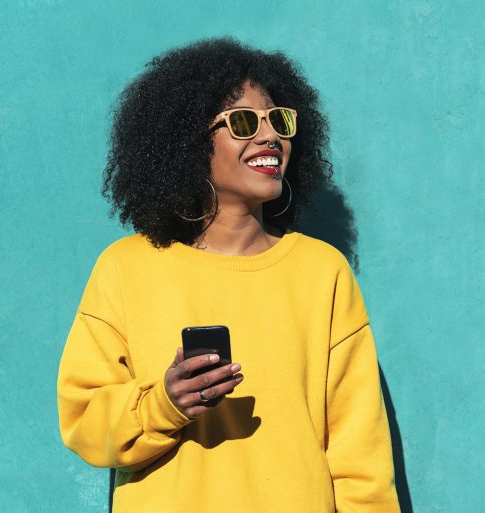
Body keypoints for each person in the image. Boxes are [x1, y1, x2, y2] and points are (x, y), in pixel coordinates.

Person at [56, 38, 400, 512]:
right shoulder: (126, 268)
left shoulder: (322, 273)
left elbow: (360, 454)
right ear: (188, 142)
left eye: (278, 120)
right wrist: (164, 403)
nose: (269, 137)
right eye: (242, 122)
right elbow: (85, 421)